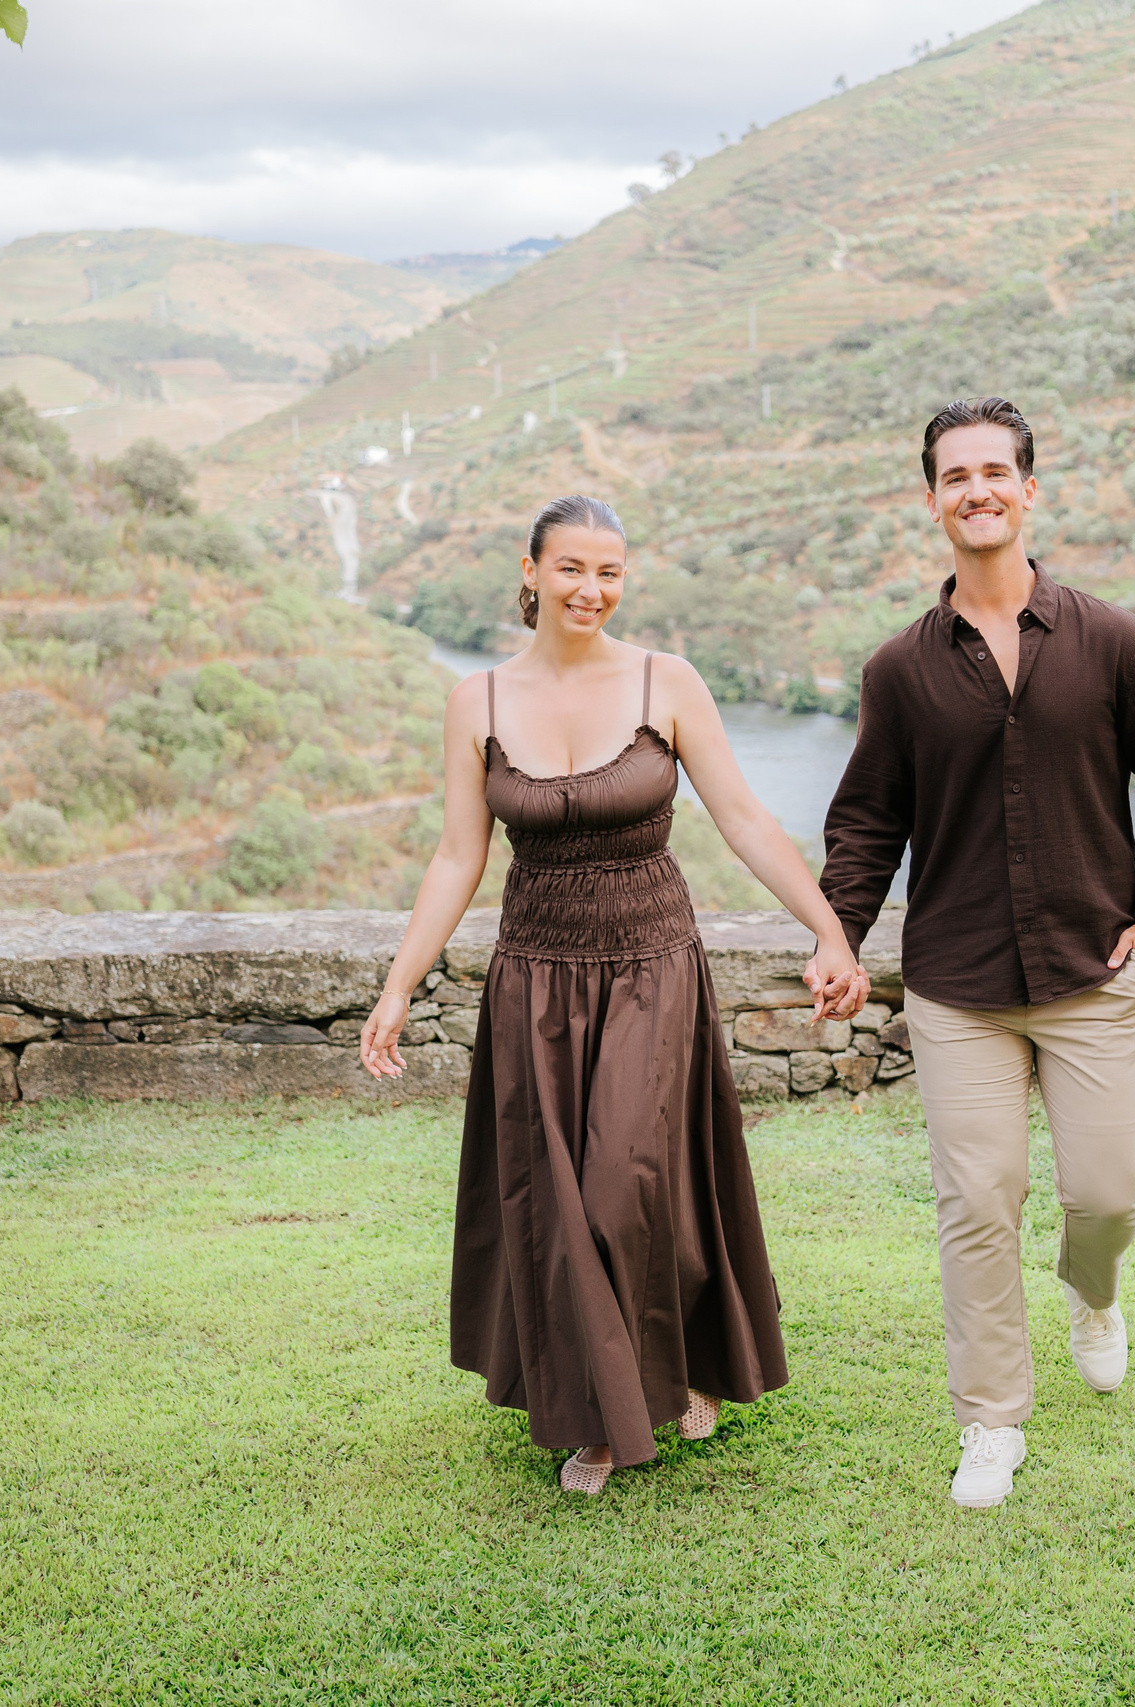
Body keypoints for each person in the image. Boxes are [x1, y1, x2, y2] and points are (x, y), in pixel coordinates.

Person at [360, 495, 870, 1495]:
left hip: (649, 966)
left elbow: (744, 819)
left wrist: (828, 927)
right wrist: (396, 986)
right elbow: (459, 855)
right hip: (535, 978)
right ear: (531, 572)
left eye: (610, 573)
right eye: (572, 570)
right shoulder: (479, 702)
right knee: (557, 1207)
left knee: (626, 1187)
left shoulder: (664, 682)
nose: (591, 590)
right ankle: (603, 1413)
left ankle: (659, 1376)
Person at [816, 398, 1135, 1510]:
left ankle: (1093, 1291)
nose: (977, 489)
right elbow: (865, 826)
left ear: (1029, 491)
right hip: (959, 987)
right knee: (977, 1202)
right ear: (931, 500)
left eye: (997, 470)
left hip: (1095, 973)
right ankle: (990, 1421)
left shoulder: (1115, 642)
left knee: (1109, 1193)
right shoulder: (899, 670)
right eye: (955, 475)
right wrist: (839, 936)